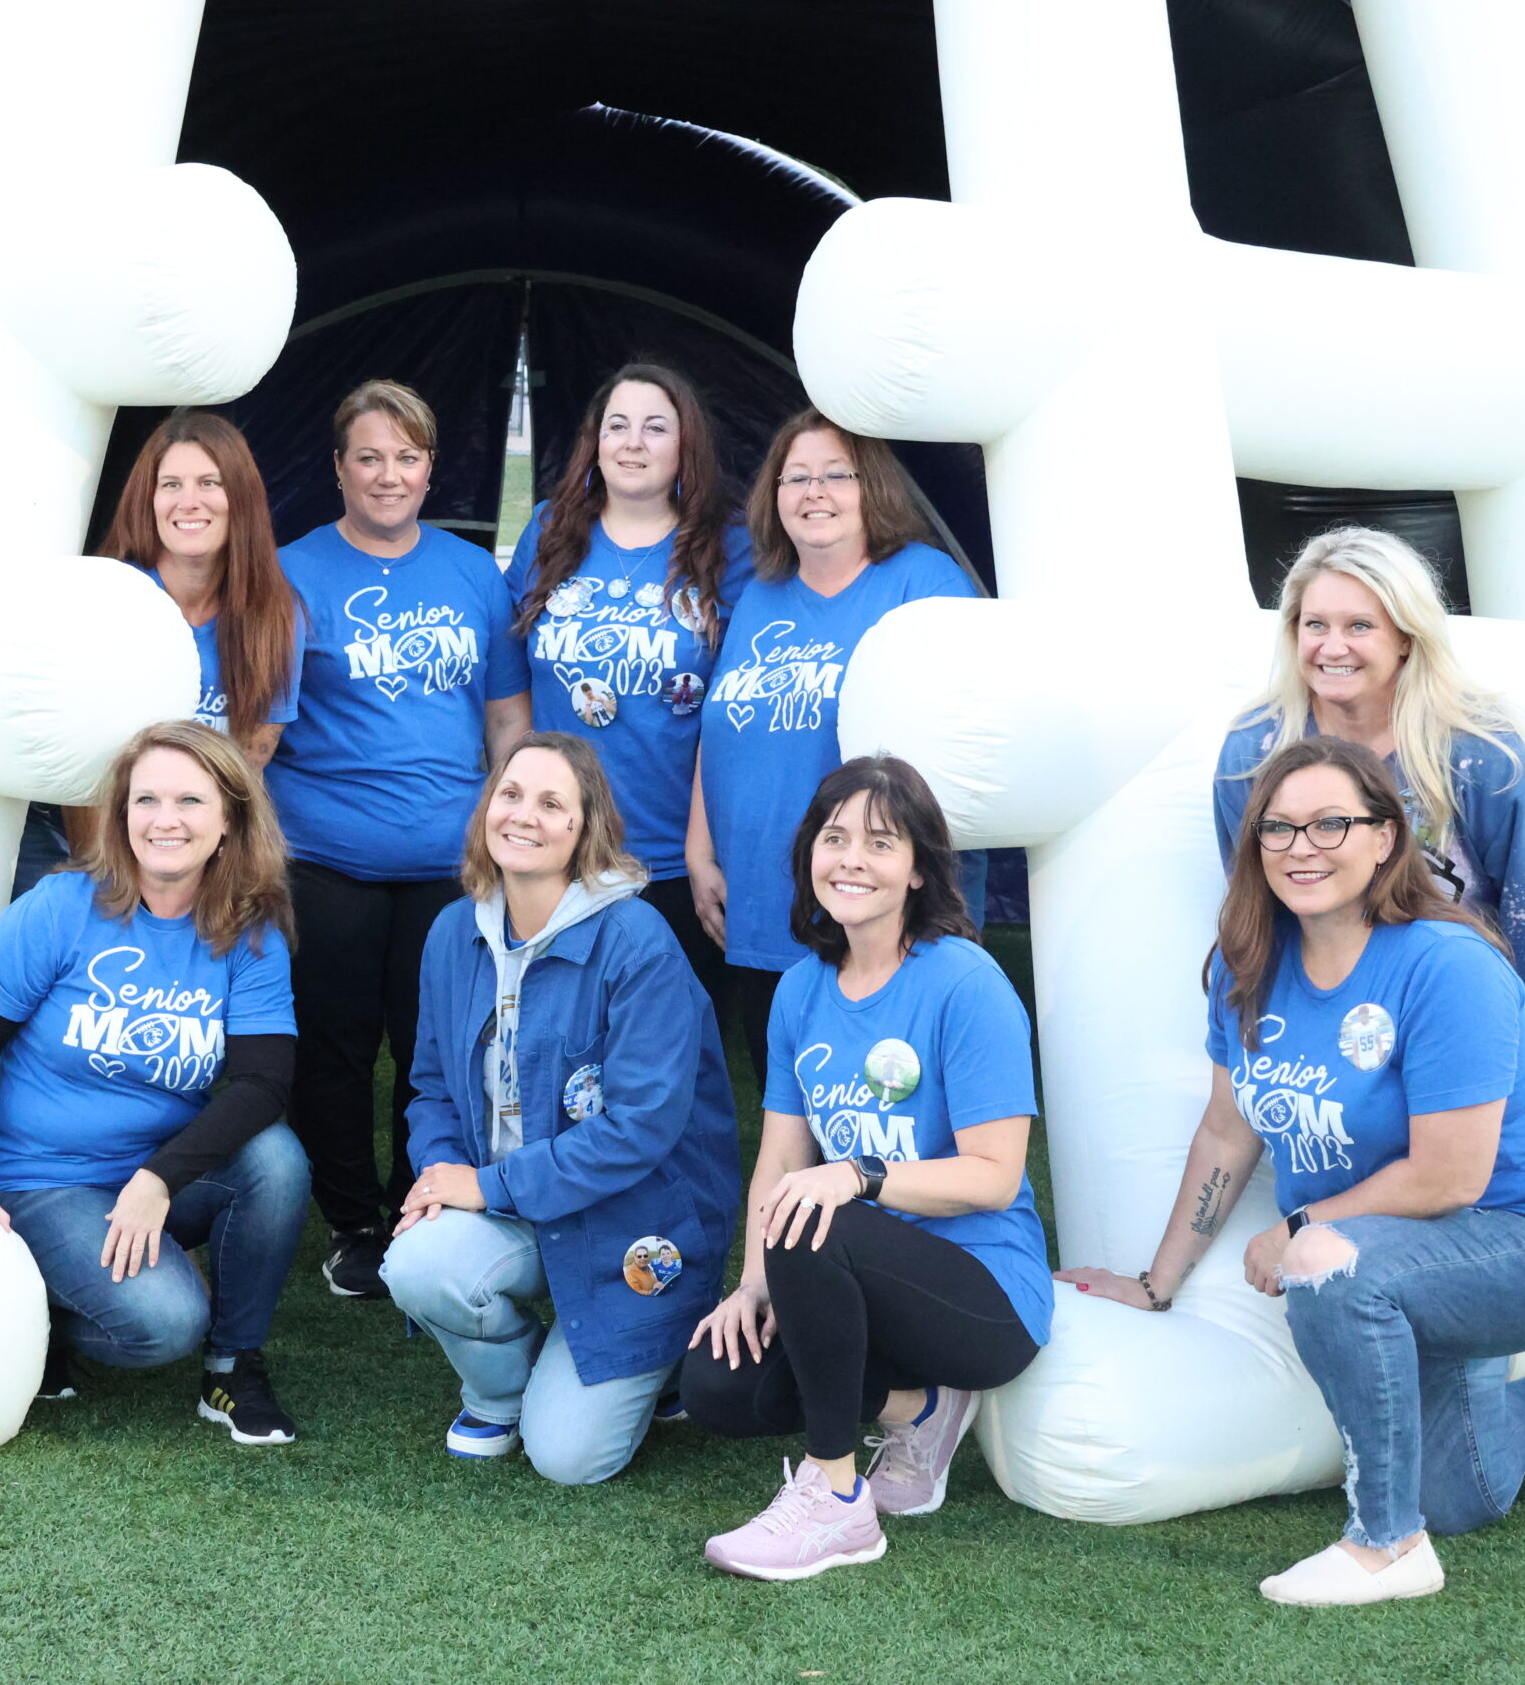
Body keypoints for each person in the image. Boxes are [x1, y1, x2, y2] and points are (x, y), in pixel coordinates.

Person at [1064, 738, 1525, 1606]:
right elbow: (1226, 1131)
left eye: (1331, 823)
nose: (1303, 847)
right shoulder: (1248, 965)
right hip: (1414, 1242)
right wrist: (1155, 1282)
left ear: (1385, 837)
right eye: (1279, 827)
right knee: (1458, 1494)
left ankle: (1386, 1544)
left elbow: (1449, 1177)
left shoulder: (1448, 964)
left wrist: (1298, 1225)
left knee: (1325, 1263)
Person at [1212, 525, 1525, 1537]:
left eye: (1359, 625)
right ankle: (1487, 1389)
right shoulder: (1252, 751)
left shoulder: (1479, 746)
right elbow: (1258, 892)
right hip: (1402, 986)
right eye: (1312, 623)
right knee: (1433, 1177)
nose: (1331, 646)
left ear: (1407, 635)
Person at [684, 756, 1046, 1581]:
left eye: (881, 842)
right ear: (810, 852)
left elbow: (994, 1176)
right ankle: (920, 1408)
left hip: (983, 1296)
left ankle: (836, 1499)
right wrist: (752, 1285)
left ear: (918, 868)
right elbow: (781, 1155)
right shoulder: (800, 989)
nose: (852, 858)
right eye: (835, 837)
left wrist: (859, 1174)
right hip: (855, 1277)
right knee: (717, 1382)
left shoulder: (967, 982)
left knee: (817, 1216)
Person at [0, 721, 307, 1443]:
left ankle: (233, 1364)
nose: (165, 819)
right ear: (121, 813)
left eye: (190, 801)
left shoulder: (250, 931)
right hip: (44, 1178)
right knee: (165, 1324)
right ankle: (36, 1316)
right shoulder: (61, 906)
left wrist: (158, 1179)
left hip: (153, 1171)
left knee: (275, 1159)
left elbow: (263, 1084)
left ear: (229, 818)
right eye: (146, 799)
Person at [381, 733, 740, 1484]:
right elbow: (431, 1086)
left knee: (570, 1458)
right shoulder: (452, 932)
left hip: (632, 1222)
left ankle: (650, 1355)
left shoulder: (636, 941)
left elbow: (640, 1125)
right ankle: (501, 1391)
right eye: (510, 795)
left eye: (552, 804)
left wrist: (486, 1186)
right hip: (512, 1206)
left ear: (585, 830)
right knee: (417, 1260)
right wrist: (441, 1175)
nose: (524, 815)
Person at [265, 379, 533, 1298]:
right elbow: (259, 733)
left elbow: (507, 719)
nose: (389, 475)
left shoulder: (472, 573)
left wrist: (507, 830)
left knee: (442, 1044)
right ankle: (354, 1223)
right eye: (369, 457)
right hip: (324, 861)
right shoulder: (291, 572)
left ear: (430, 468)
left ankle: (427, 1199)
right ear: (338, 468)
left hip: (450, 865)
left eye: (407, 457)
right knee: (334, 1048)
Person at [690, 409, 987, 1093]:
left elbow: (963, 734)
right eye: (795, 477)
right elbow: (720, 729)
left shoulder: (922, 582)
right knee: (791, 1104)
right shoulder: (760, 595)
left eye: (835, 475)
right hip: (764, 899)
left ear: (873, 485)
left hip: (878, 910)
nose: (813, 492)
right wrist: (699, 851)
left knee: (886, 1109)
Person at [505, 362, 751, 1011]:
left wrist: (702, 852)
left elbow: (737, 715)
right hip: (557, 847)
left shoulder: (731, 546)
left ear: (686, 444)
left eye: (655, 427)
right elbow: (511, 686)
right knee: (554, 1039)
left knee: (667, 1046)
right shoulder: (550, 530)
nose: (633, 443)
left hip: (671, 853)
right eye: (617, 426)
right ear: (595, 441)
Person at [93, 409, 304, 761]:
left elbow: (249, 765)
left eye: (209, 483)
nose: (188, 502)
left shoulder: (275, 612)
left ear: (241, 498)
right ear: (149, 499)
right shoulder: (110, 599)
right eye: (171, 484)